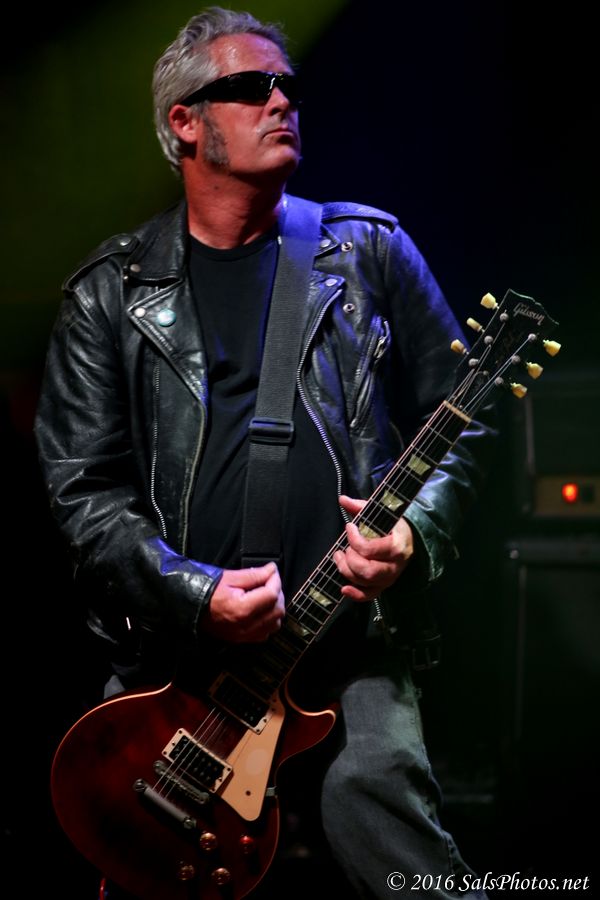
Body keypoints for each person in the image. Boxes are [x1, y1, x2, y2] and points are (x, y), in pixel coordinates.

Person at [35, 7, 497, 899]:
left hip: (346, 638)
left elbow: (464, 417)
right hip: (178, 666)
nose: (282, 100)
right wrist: (195, 593)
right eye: (251, 87)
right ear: (185, 122)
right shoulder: (108, 294)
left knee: (399, 845)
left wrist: (415, 538)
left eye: (288, 84)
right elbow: (82, 494)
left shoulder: (368, 252)